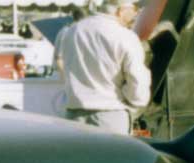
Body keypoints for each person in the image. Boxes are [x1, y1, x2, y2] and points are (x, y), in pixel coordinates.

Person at [57, 0, 150, 135]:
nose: (137, 13)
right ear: (121, 11)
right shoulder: (126, 36)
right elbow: (138, 87)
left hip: (73, 115)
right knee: (112, 156)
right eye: (135, 8)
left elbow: (64, 66)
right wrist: (130, 97)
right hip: (110, 116)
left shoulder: (72, 31)